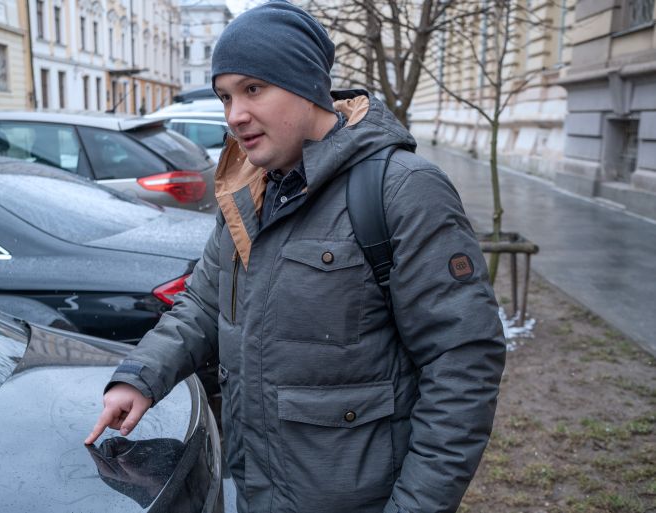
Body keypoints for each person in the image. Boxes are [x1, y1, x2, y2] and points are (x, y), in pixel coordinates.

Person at [85, 2, 506, 512]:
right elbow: (202, 305)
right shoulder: (247, 189)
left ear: (307, 84)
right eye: (225, 96)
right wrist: (142, 375)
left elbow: (462, 361)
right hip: (257, 491)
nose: (234, 114)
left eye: (252, 89)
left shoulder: (402, 190)